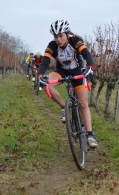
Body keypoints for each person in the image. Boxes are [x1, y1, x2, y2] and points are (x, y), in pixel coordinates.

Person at [37, 19, 98, 148]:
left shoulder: (75, 41)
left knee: (83, 104)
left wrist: (91, 67)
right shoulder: (52, 45)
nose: (58, 39)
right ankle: (64, 107)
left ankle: (90, 135)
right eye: (55, 36)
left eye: (61, 36)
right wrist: (40, 76)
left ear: (66, 34)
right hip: (62, 71)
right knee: (47, 84)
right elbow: (45, 62)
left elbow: (86, 54)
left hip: (77, 72)